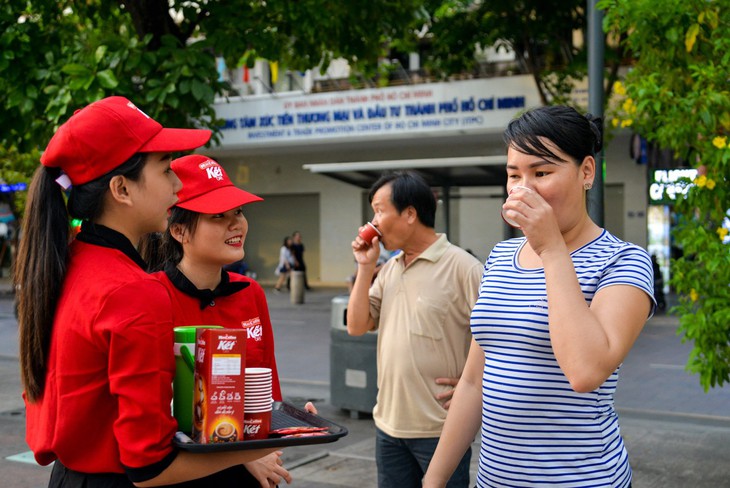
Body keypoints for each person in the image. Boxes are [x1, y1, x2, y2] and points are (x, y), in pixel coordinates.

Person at [15, 96, 276, 488]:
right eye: (166, 169)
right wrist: (254, 450)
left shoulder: (70, 262)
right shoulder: (133, 291)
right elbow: (150, 466)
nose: (176, 184)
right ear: (121, 188)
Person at [423, 105, 655, 488]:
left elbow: (585, 371)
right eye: (514, 174)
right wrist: (434, 479)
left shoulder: (623, 261)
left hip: (584, 479)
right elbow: (473, 382)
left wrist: (551, 250)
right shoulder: (501, 256)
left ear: (586, 172)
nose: (523, 188)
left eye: (542, 172)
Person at [142, 154, 291, 487]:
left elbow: (267, 394)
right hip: (177, 474)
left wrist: (293, 424)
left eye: (238, 212)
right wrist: (243, 455)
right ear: (179, 230)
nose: (236, 224)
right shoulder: (149, 296)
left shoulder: (250, 293)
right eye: (219, 216)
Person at [346, 170, 483, 488]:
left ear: (410, 213)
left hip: (441, 429)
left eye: (380, 210)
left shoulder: (464, 268)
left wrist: (474, 380)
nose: (373, 222)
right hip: (388, 426)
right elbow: (356, 326)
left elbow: (495, 338)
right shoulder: (389, 269)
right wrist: (365, 267)